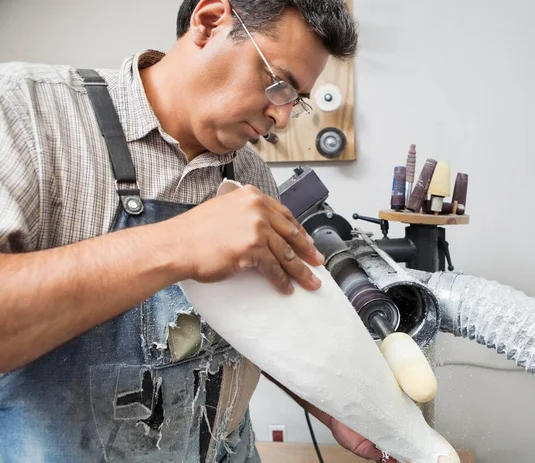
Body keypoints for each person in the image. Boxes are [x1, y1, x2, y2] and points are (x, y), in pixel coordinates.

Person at [0, 0, 395, 461]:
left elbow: (273, 328)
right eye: (279, 83)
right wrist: (180, 242)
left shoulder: (250, 174)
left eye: (296, 99)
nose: (282, 118)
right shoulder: (26, 112)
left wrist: (335, 407)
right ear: (209, 22)